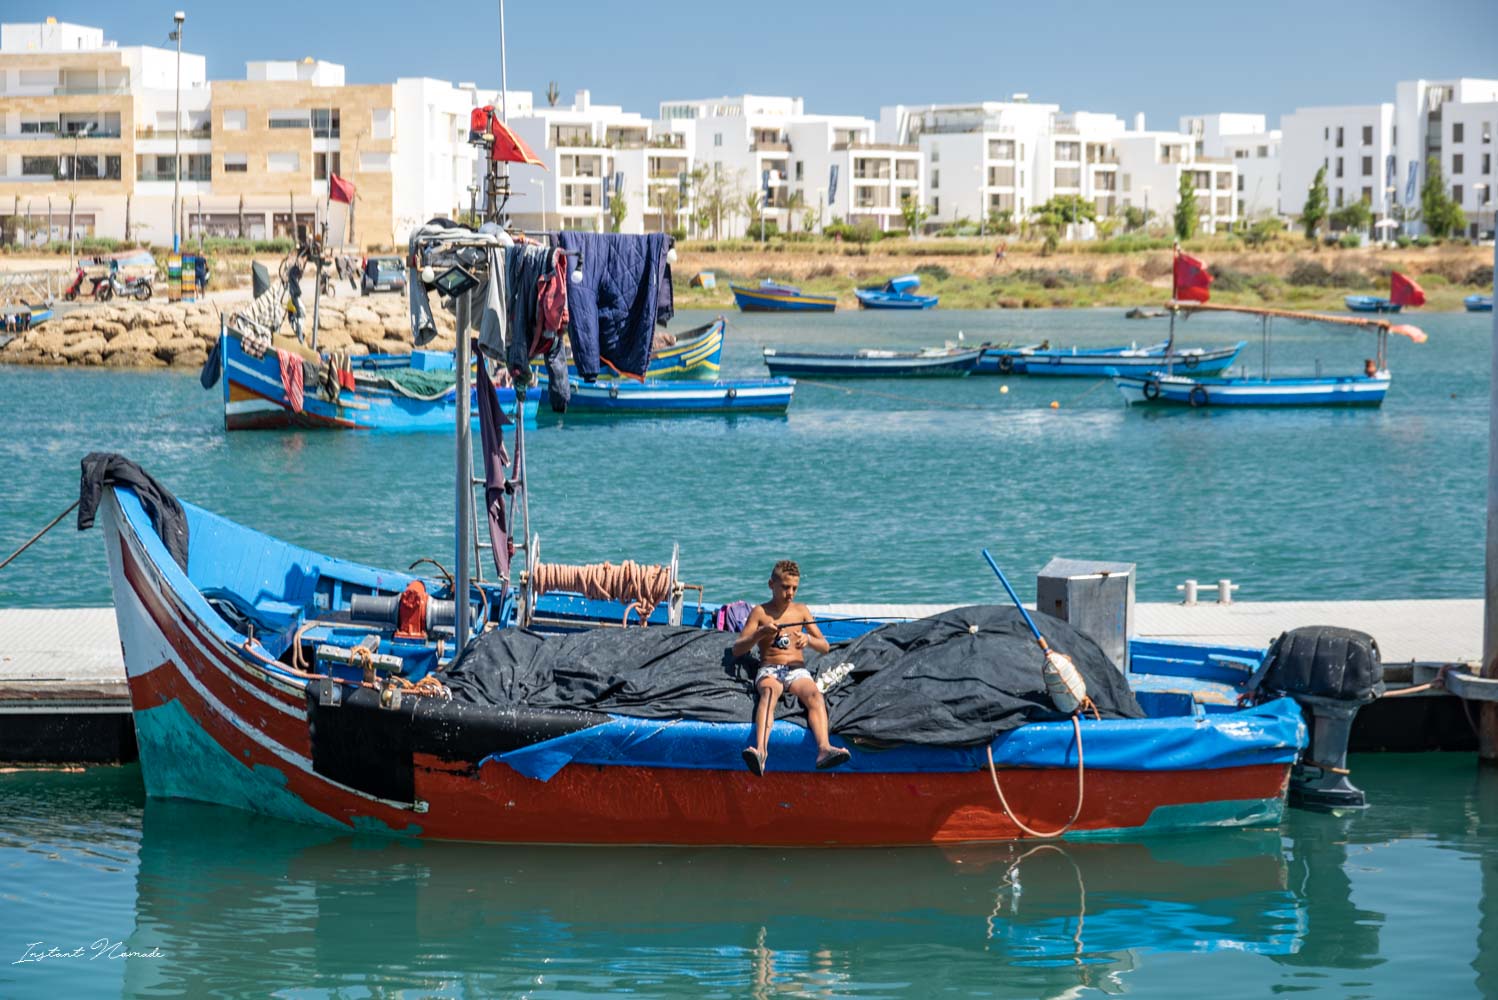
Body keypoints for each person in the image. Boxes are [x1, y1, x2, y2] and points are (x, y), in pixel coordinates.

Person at [731, 560, 850, 775]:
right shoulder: (760, 612)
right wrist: (761, 633)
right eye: (785, 587)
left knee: (814, 694)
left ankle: (824, 748)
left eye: (794, 588)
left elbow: (824, 646)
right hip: (770, 669)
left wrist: (808, 640)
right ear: (771, 584)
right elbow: (737, 649)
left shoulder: (801, 611)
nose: (790, 593)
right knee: (769, 692)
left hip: (797, 670)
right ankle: (760, 752)